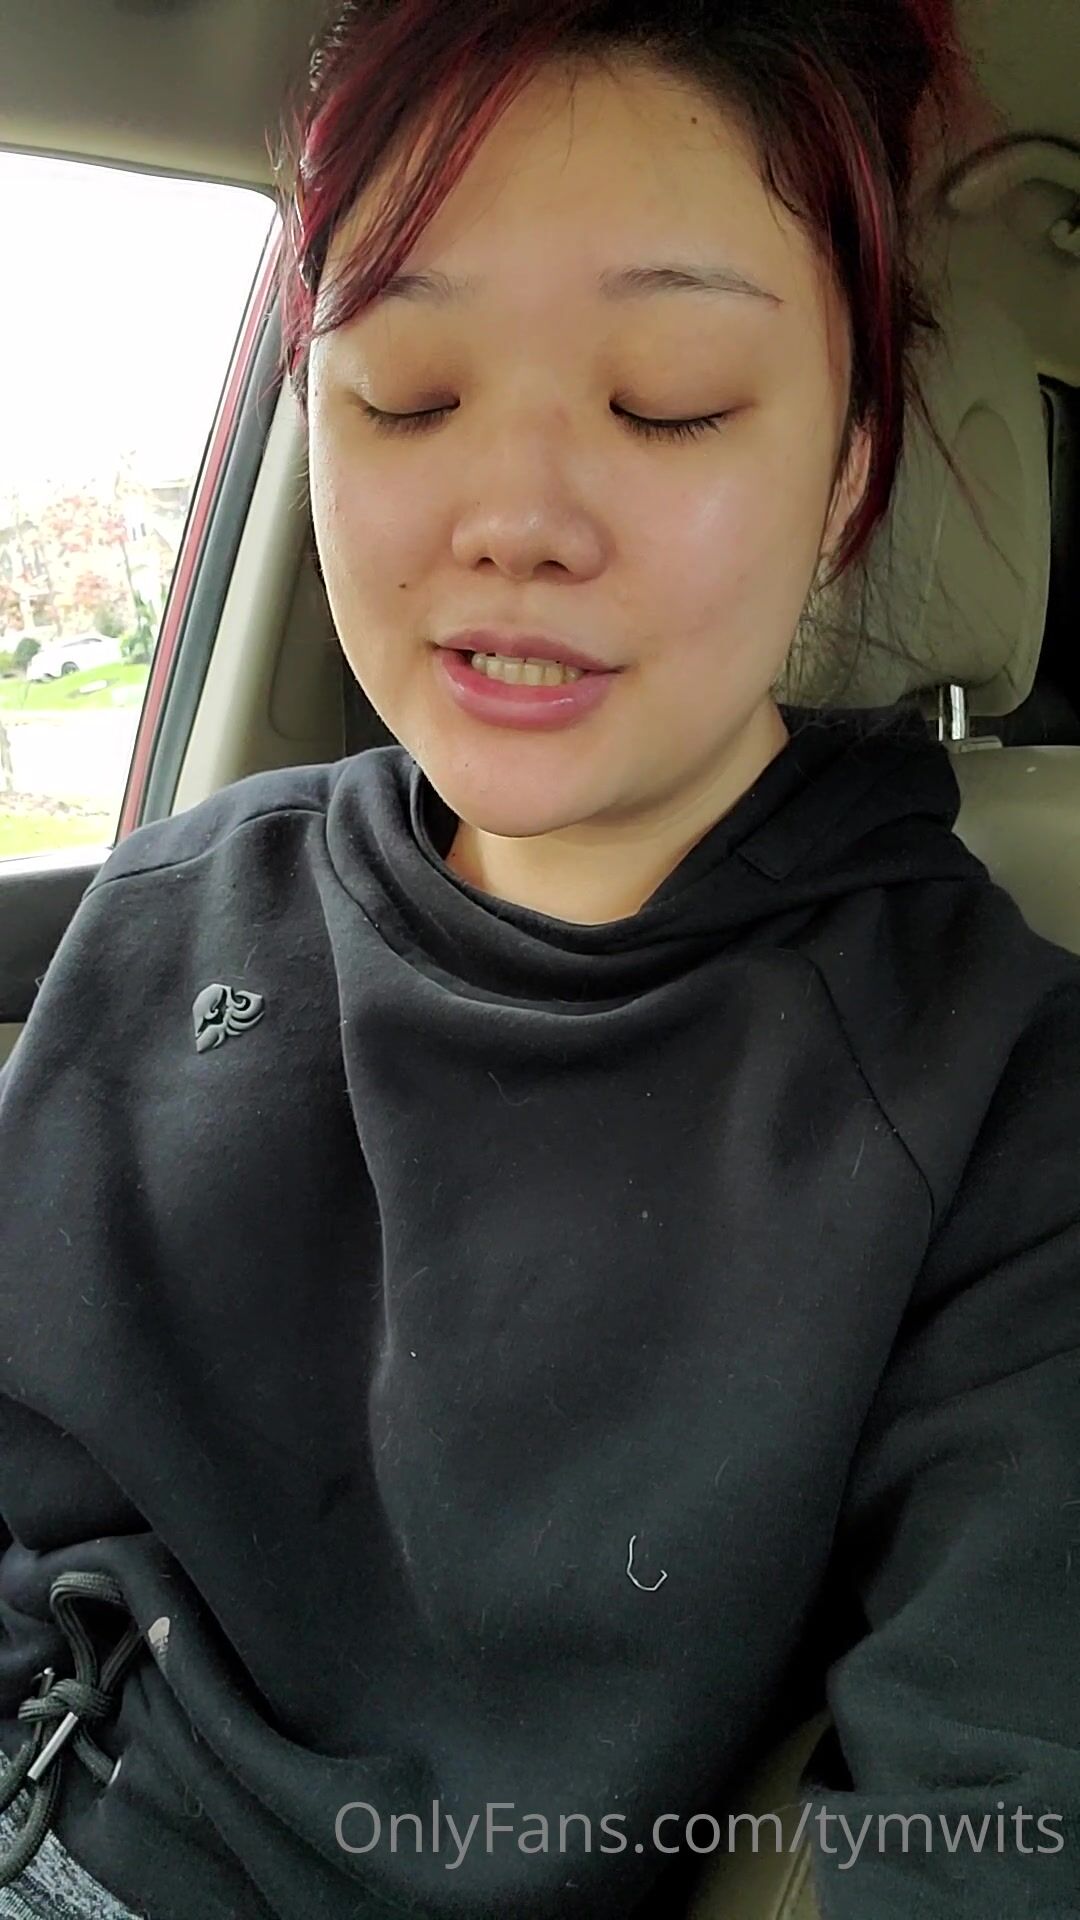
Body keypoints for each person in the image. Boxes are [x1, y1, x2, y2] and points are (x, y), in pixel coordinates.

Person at [0, 2, 1077, 1916]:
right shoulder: (176, 913)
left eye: (669, 401)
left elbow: (1000, 1807)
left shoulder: (1000, 1098)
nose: (512, 524)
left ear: (850, 472)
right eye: (410, 396)